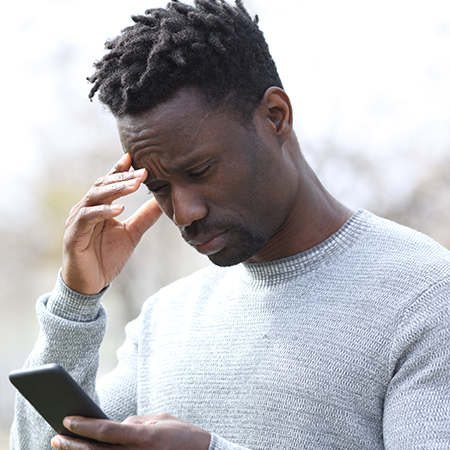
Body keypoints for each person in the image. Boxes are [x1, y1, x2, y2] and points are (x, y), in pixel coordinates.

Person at [11, 0, 450, 449]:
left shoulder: (426, 295)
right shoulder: (168, 318)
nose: (184, 213)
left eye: (200, 171)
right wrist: (75, 301)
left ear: (275, 116)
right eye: (158, 186)